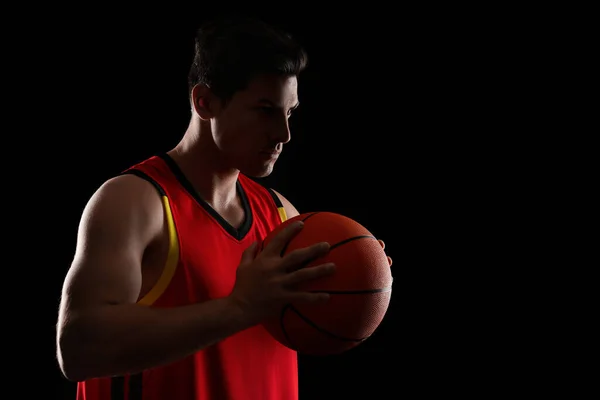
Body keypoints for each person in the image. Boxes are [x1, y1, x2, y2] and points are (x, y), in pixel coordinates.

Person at [56, 15, 392, 400]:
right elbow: (79, 350)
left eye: (290, 112)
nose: (283, 134)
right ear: (205, 102)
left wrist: (363, 279)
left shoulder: (283, 216)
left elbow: (314, 327)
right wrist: (240, 307)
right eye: (265, 110)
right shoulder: (134, 201)